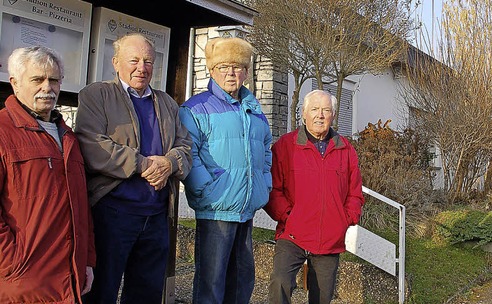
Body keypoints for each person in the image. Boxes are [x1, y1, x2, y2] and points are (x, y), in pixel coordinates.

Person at [74, 33, 192, 304]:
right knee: (101, 291)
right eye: (134, 60)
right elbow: (92, 145)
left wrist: (169, 163)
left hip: (156, 218)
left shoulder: (166, 103)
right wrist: (144, 165)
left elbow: (185, 146)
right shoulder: (97, 95)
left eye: (148, 61)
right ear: (116, 63)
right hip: (113, 215)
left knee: (146, 294)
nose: (142, 67)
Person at [179, 37, 272, 304]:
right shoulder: (196, 108)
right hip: (216, 208)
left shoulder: (253, 108)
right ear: (211, 70)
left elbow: (266, 147)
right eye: (223, 67)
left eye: (237, 66)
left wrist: (264, 183)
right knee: (212, 282)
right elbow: (189, 151)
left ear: (245, 70)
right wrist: (207, 189)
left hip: (245, 207)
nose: (231, 73)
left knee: (242, 281)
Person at [0, 46, 95, 303]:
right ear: (15, 83)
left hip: (68, 279)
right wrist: (11, 263)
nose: (48, 87)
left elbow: (81, 207)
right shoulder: (3, 131)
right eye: (37, 79)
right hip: (22, 282)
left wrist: (86, 260)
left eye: (54, 80)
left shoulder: (68, 136)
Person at [265, 90, 365, 304]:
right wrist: (288, 215)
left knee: (322, 298)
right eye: (315, 109)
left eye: (326, 110)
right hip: (292, 234)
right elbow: (272, 188)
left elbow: (355, 192)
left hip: (329, 238)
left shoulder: (346, 150)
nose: (320, 115)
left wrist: (345, 219)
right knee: (279, 284)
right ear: (304, 113)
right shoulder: (285, 146)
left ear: (333, 115)